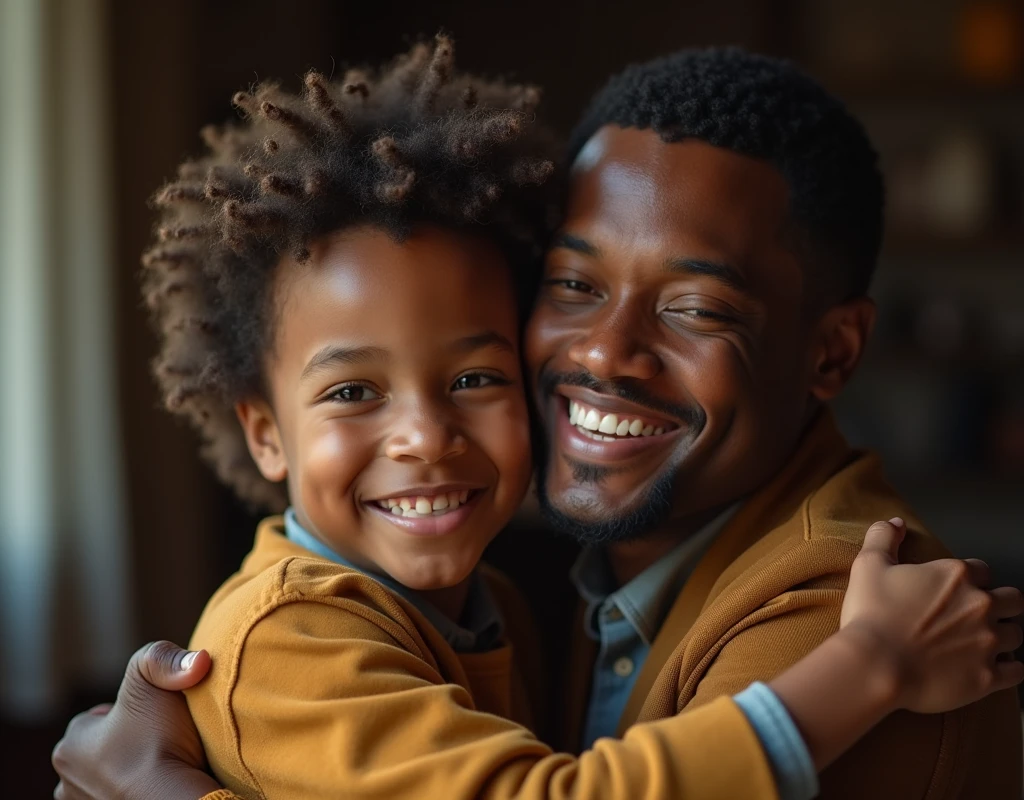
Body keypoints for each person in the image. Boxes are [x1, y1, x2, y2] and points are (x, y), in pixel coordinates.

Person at [52, 45, 1024, 799]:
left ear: (831, 353)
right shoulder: (309, 629)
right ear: (263, 428)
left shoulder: (838, 615)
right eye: (573, 284)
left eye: (693, 307)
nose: (602, 352)